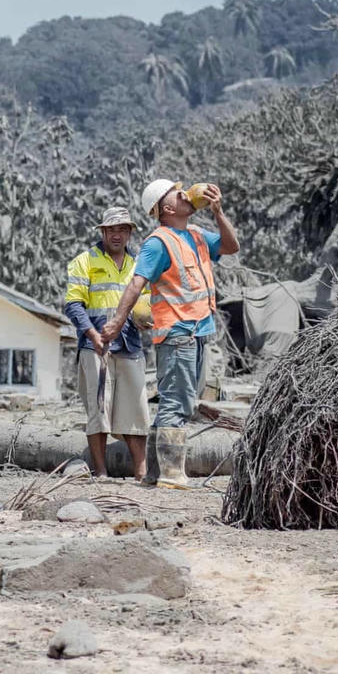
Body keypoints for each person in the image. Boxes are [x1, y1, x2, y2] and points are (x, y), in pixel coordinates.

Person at [101, 179, 239, 488]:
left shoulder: (196, 235)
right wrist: (117, 322)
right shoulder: (158, 243)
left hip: (198, 331)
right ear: (167, 208)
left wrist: (218, 212)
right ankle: (171, 474)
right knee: (177, 404)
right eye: (178, 193)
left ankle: (154, 474)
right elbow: (136, 284)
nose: (185, 193)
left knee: (179, 402)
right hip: (177, 333)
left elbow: (231, 247)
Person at [64, 206, 152, 478]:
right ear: (103, 232)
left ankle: (141, 473)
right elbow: (73, 304)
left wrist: (147, 318)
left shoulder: (138, 264)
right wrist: (92, 334)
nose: (117, 235)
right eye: (111, 229)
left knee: (137, 410)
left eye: (122, 229)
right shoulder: (85, 261)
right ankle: (100, 472)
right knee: (98, 410)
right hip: (96, 346)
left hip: (130, 344)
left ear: (129, 233)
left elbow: (146, 302)